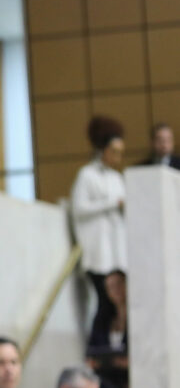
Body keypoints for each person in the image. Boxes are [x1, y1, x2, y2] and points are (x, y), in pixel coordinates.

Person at [71, 115, 127, 328]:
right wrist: (112, 202)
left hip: (116, 250)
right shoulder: (86, 175)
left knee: (116, 304)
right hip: (98, 250)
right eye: (114, 151)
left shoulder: (116, 178)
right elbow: (80, 209)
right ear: (103, 149)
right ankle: (96, 352)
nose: (117, 157)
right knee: (105, 302)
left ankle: (108, 350)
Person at [87, 270, 129, 388]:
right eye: (110, 287)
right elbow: (91, 350)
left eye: (118, 285)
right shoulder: (103, 317)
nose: (115, 291)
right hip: (105, 384)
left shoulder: (136, 317)